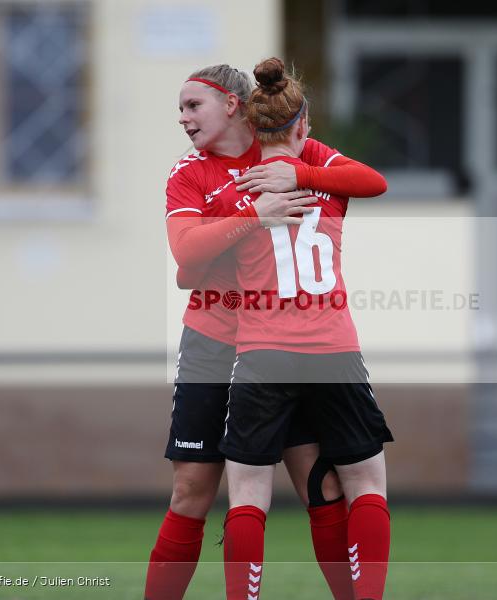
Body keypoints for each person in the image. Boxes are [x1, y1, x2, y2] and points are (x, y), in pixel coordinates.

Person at [145, 63, 388, 600]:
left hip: (281, 342)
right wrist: (251, 216)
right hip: (215, 342)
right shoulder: (188, 172)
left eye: (193, 106)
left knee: (321, 487)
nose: (183, 119)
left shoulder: (288, 149)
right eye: (181, 110)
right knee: (193, 489)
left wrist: (304, 176)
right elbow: (186, 260)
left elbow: (365, 180)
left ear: (232, 105)